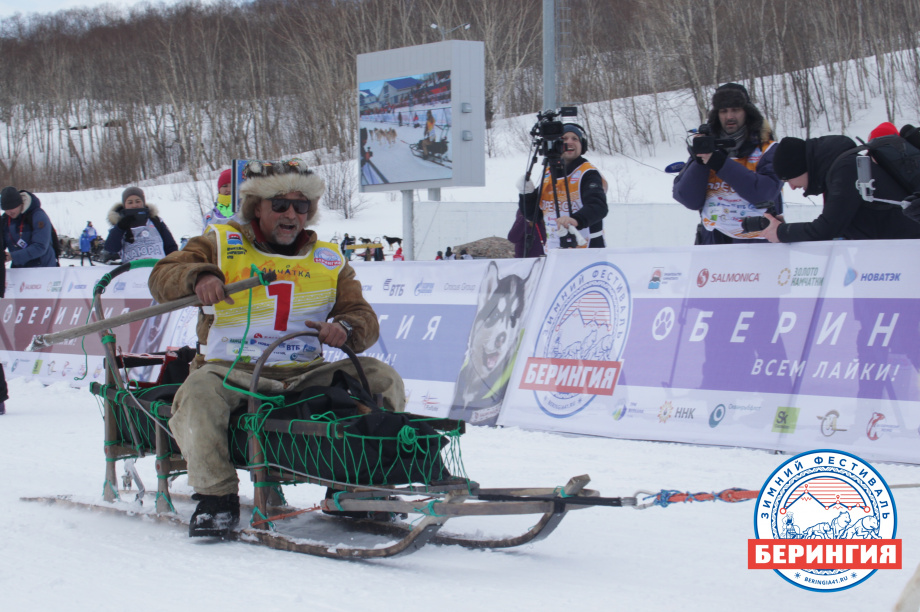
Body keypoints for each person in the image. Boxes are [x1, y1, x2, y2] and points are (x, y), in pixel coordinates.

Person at [147, 159, 406, 537]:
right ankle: (216, 498)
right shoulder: (220, 242)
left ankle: (357, 486)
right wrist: (198, 275)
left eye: (301, 206)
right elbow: (163, 274)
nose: (291, 215)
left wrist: (345, 328)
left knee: (382, 378)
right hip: (231, 367)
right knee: (199, 392)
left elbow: (360, 314)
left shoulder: (329, 258)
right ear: (257, 208)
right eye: (280, 205)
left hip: (303, 371)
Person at [672, 82, 783, 244]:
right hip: (713, 242)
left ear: (747, 112)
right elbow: (688, 199)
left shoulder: (768, 149)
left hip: (759, 245)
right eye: (723, 111)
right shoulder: (707, 150)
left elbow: (763, 194)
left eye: (735, 110)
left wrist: (719, 163)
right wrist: (700, 161)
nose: (729, 116)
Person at [761, 135, 920, 242]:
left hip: (905, 255)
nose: (792, 186)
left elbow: (826, 229)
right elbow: (838, 225)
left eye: (788, 179)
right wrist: (787, 227)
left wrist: (781, 232)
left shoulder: (846, 169)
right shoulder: (836, 171)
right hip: (892, 254)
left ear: (800, 167)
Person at [519, 124, 608, 249]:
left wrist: (576, 219)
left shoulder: (588, 173)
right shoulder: (549, 173)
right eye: (564, 139)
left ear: (582, 145)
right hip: (555, 250)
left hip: (587, 250)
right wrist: (527, 195)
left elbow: (599, 207)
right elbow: (534, 215)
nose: (569, 142)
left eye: (574, 139)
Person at [103, 187, 178, 262]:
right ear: (124, 205)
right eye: (130, 202)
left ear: (143, 202)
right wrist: (120, 228)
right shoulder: (118, 224)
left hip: (158, 270)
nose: (134, 205)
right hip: (133, 271)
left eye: (138, 201)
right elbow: (111, 248)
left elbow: (171, 247)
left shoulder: (155, 221)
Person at [1, 186, 58, 268]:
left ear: (20, 204)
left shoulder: (38, 216)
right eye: (5, 209)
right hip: (20, 269)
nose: (8, 212)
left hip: (43, 268)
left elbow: (40, 247)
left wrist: (12, 256)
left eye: (11, 208)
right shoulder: (5, 219)